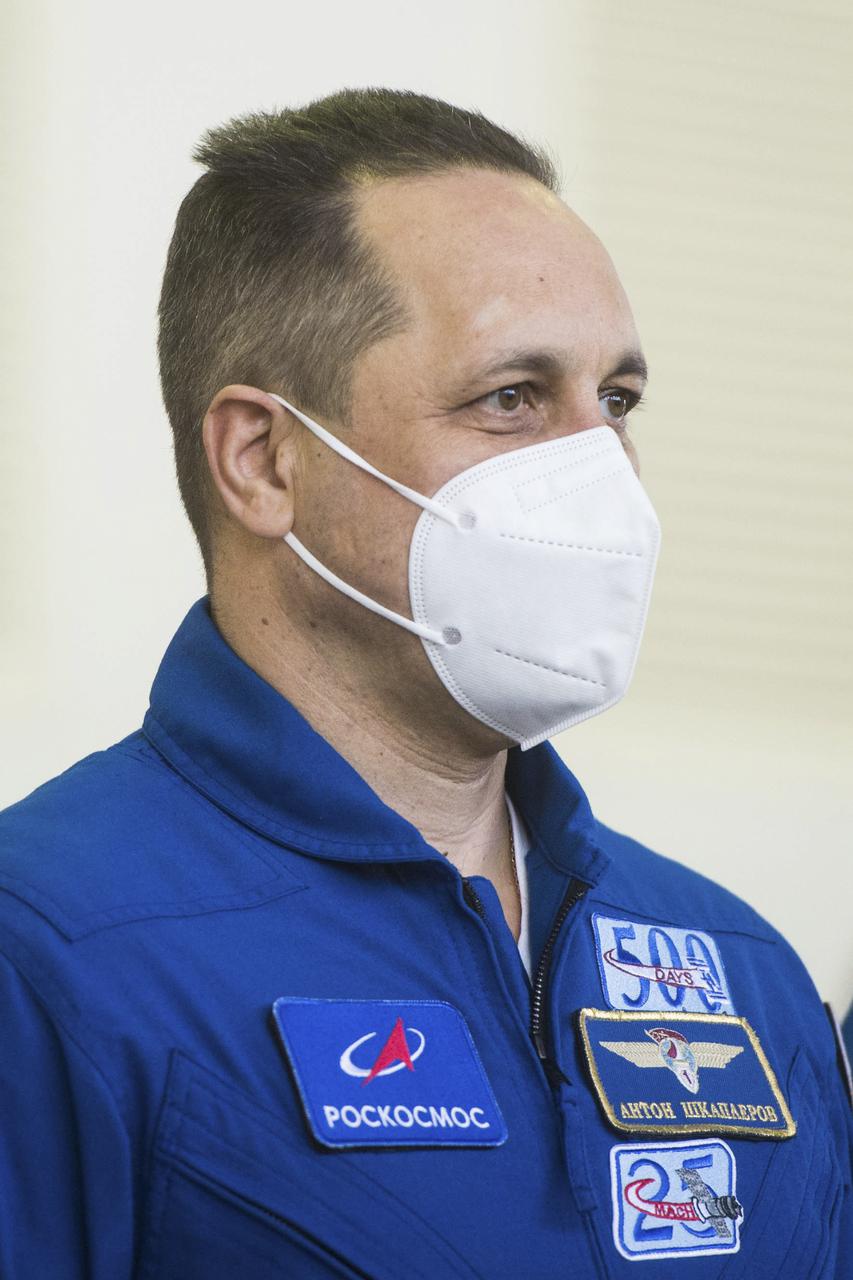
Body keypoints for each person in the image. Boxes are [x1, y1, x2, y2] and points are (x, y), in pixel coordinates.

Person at [0, 87, 849, 1278]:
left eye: (615, 401)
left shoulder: (741, 966)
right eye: (511, 397)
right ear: (263, 459)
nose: (599, 471)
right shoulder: (50, 945)